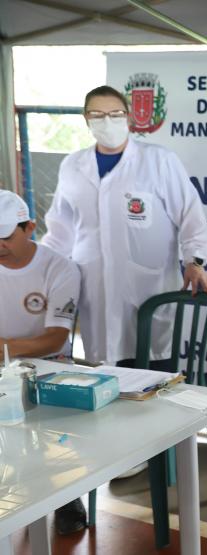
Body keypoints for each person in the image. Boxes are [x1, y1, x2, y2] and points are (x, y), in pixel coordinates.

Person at [42, 85, 207, 369]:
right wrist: (41, 269)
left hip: (148, 287)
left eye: (115, 113)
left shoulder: (158, 161)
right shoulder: (73, 165)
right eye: (97, 114)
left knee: (153, 376)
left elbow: (190, 214)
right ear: (86, 120)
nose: (107, 121)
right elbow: (60, 229)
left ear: (128, 117)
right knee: (105, 375)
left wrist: (195, 261)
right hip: (95, 287)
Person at [0, 190, 86, 535]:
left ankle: (67, 498)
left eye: (6, 235)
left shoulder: (59, 267)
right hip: (5, 364)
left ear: (30, 227)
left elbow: (55, 338)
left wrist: (6, 348)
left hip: (51, 363)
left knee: (56, 431)